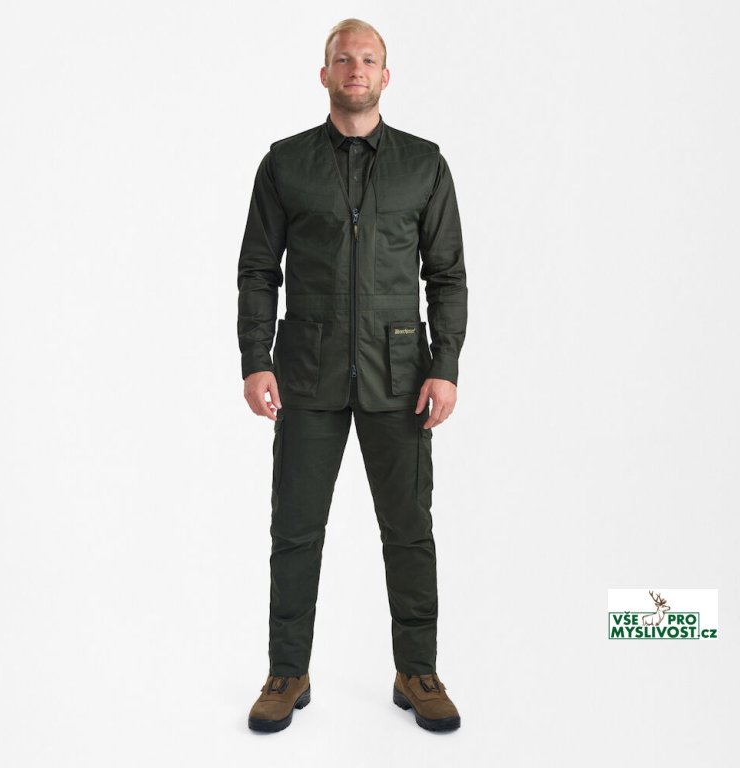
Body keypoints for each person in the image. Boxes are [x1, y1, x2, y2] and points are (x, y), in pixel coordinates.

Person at [237, 18, 468, 733]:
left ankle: (417, 669)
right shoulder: (285, 164)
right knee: (295, 530)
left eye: (368, 59)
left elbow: (447, 276)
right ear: (325, 74)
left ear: (385, 76)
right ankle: (287, 670)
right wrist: (255, 358)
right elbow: (257, 270)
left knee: (409, 530)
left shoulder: (424, 165)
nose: (356, 68)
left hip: (400, 377)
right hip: (306, 375)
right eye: (344, 58)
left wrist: (445, 367)